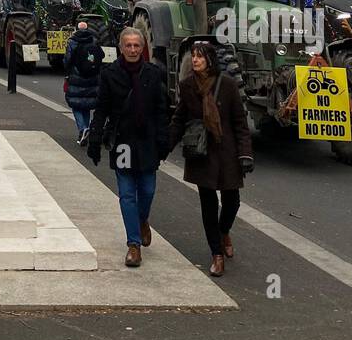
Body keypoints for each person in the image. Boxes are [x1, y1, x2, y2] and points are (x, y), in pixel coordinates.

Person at [168, 39, 253, 278]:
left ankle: (223, 230)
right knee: (207, 204)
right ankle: (216, 253)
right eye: (193, 56)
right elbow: (179, 119)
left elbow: (240, 123)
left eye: (200, 56)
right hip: (201, 153)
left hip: (226, 152)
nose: (195, 60)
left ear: (210, 60)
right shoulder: (187, 86)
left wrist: (245, 153)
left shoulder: (226, 85)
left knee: (232, 202)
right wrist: (164, 147)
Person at [87, 26, 169, 268]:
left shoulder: (154, 74)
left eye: (137, 46)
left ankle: (142, 220)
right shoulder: (109, 73)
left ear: (142, 48)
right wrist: (95, 137)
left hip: (147, 142)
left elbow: (161, 110)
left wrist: (164, 140)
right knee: (126, 195)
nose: (132, 49)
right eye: (128, 45)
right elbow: (101, 108)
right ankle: (133, 244)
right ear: (121, 48)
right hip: (122, 142)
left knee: (147, 191)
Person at [64, 20, 104, 145]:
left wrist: (67, 69)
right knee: (86, 105)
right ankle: (85, 131)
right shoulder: (94, 41)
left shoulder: (72, 41)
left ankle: (83, 129)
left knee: (76, 105)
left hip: (76, 76)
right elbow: (101, 55)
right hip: (92, 77)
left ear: (76, 29)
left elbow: (67, 59)